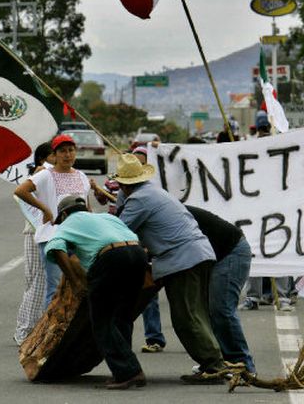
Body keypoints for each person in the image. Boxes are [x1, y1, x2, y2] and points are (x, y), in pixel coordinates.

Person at [114, 153, 226, 383]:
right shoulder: (154, 192)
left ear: (124, 185)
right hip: (197, 253)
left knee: (187, 317)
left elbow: (119, 230)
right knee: (196, 313)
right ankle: (213, 362)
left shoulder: (138, 200)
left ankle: (213, 366)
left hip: (183, 259)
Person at [45, 194, 148, 390]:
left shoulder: (69, 222)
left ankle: (129, 372)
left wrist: (75, 282)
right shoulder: (107, 217)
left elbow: (55, 247)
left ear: (64, 214)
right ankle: (124, 370)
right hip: (137, 255)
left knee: (102, 321)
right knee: (122, 317)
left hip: (111, 258)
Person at [14, 134, 91, 307]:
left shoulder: (81, 176)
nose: (67, 155)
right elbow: (21, 191)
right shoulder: (46, 175)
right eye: (62, 151)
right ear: (54, 155)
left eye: (71, 150)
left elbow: (87, 207)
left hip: (78, 238)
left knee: (81, 285)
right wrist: (45, 209)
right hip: (53, 238)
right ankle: (50, 332)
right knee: (55, 288)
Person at [187, 206, 256, 375]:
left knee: (222, 309)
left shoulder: (161, 211)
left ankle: (242, 365)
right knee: (212, 311)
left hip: (231, 253)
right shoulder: (160, 207)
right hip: (219, 254)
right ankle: (223, 362)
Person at [239, 114, 292, 312]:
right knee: (258, 252)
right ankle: (259, 296)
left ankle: (277, 297)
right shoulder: (250, 148)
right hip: (257, 212)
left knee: (276, 250)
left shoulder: (278, 146)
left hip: (276, 211)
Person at [13, 142, 56, 346]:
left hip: (42, 233)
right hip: (35, 233)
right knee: (37, 282)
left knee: (36, 283)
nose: (59, 158)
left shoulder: (51, 175)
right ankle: (25, 329)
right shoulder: (41, 174)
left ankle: (29, 326)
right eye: (54, 155)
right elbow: (22, 192)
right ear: (43, 159)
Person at [131, 146, 167, 354]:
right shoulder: (126, 192)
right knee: (148, 293)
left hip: (161, 246)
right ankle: (154, 337)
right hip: (138, 248)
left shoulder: (156, 188)